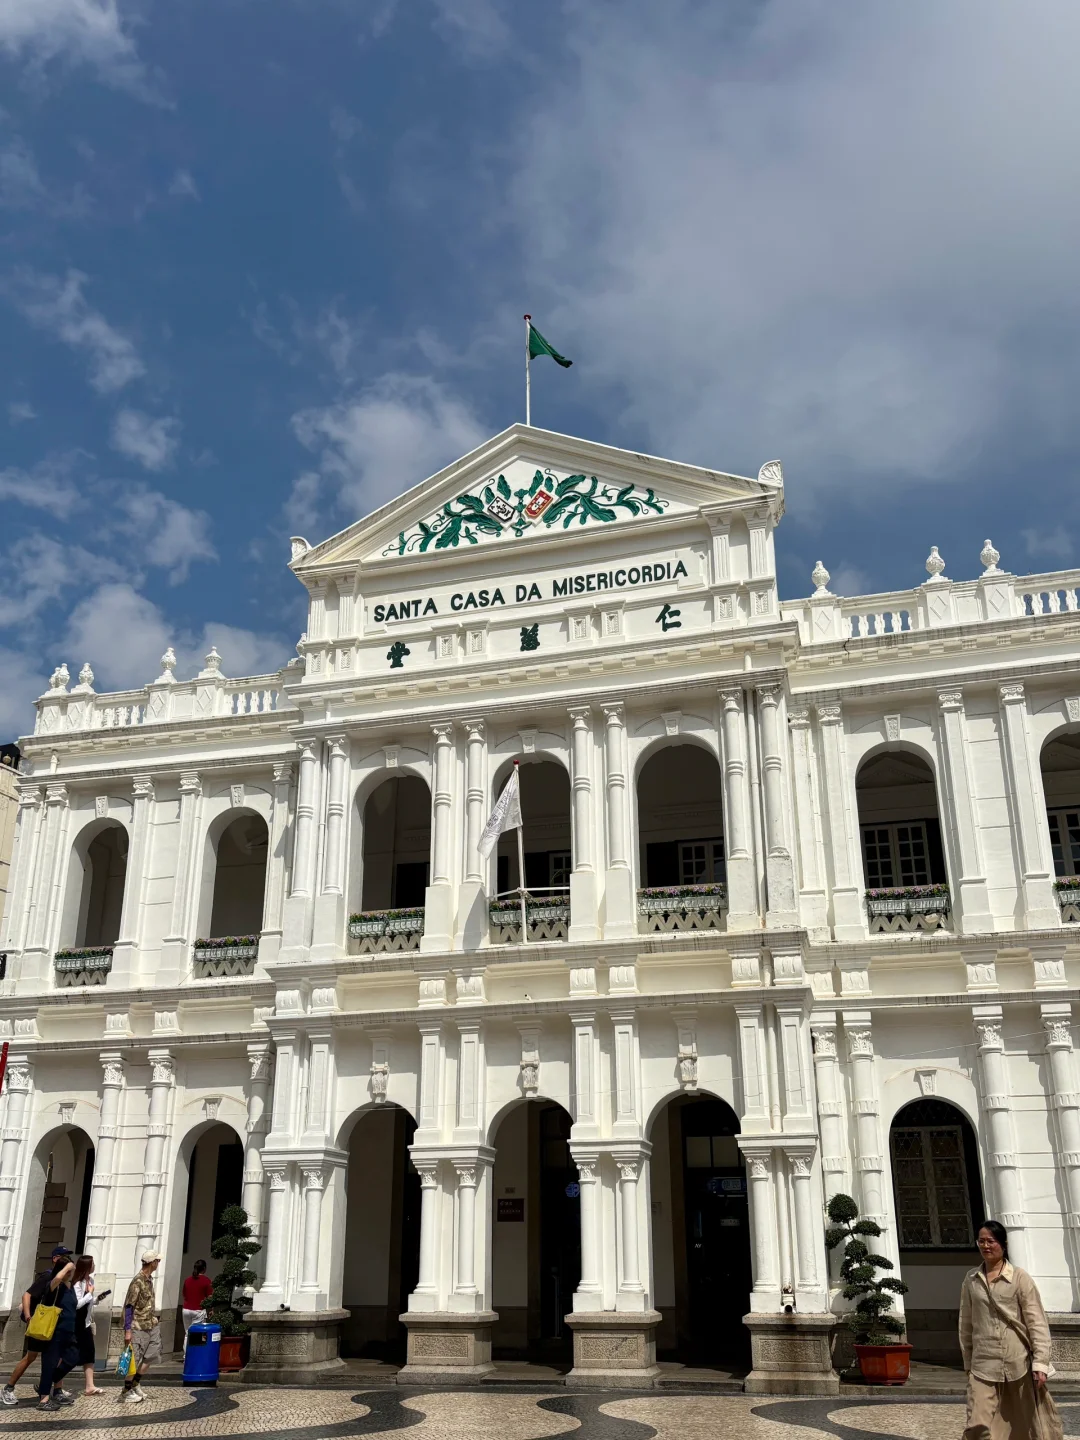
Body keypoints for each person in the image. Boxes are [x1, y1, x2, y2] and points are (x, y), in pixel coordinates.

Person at [960, 1219, 1062, 1440]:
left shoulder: (1020, 1277)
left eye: (991, 1241)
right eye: (981, 1241)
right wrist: (968, 1361)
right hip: (982, 1364)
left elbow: (1036, 1322)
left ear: (1003, 1244)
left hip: (1018, 1363)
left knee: (1022, 1426)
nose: (986, 1246)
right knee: (977, 1423)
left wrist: (1041, 1363)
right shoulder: (971, 1280)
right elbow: (966, 1323)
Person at [0, 1246, 74, 1406]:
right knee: (30, 1357)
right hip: (40, 1324)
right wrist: (28, 1317)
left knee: (57, 1358)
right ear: (55, 1258)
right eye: (64, 1256)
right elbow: (27, 1295)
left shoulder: (64, 1281)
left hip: (52, 1325)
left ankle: (57, 1390)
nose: (67, 1260)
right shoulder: (47, 1277)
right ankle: (8, 1388)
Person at [34, 1256, 81, 1412]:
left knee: (74, 1357)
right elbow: (57, 1278)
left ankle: (45, 1383)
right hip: (54, 1331)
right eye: (70, 1271)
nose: (72, 1273)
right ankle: (44, 1399)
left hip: (69, 1331)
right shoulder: (54, 1285)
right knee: (49, 1363)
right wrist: (66, 1267)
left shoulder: (69, 1287)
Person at [121, 1250, 162, 1404]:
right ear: (152, 1262)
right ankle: (126, 1391)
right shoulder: (137, 1281)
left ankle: (135, 1383)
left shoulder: (149, 1280)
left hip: (150, 1324)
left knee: (151, 1355)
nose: (158, 1263)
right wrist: (128, 1330)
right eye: (157, 1260)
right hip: (137, 1326)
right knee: (134, 1359)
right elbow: (129, 1306)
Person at [72, 1255, 108, 1397]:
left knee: (89, 1353)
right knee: (68, 1355)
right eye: (92, 1263)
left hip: (85, 1323)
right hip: (75, 1323)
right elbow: (77, 1304)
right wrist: (90, 1294)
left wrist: (97, 1299)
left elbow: (88, 1302)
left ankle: (90, 1386)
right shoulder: (77, 1283)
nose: (94, 1265)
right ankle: (56, 1383)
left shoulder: (90, 1281)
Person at [181, 1260, 213, 1349]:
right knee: (198, 1334)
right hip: (198, 1310)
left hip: (186, 1309)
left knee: (187, 1333)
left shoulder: (187, 1280)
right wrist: (211, 1309)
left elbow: (184, 1294)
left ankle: (186, 1355)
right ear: (204, 1269)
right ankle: (196, 1355)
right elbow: (210, 1297)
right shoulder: (206, 1281)